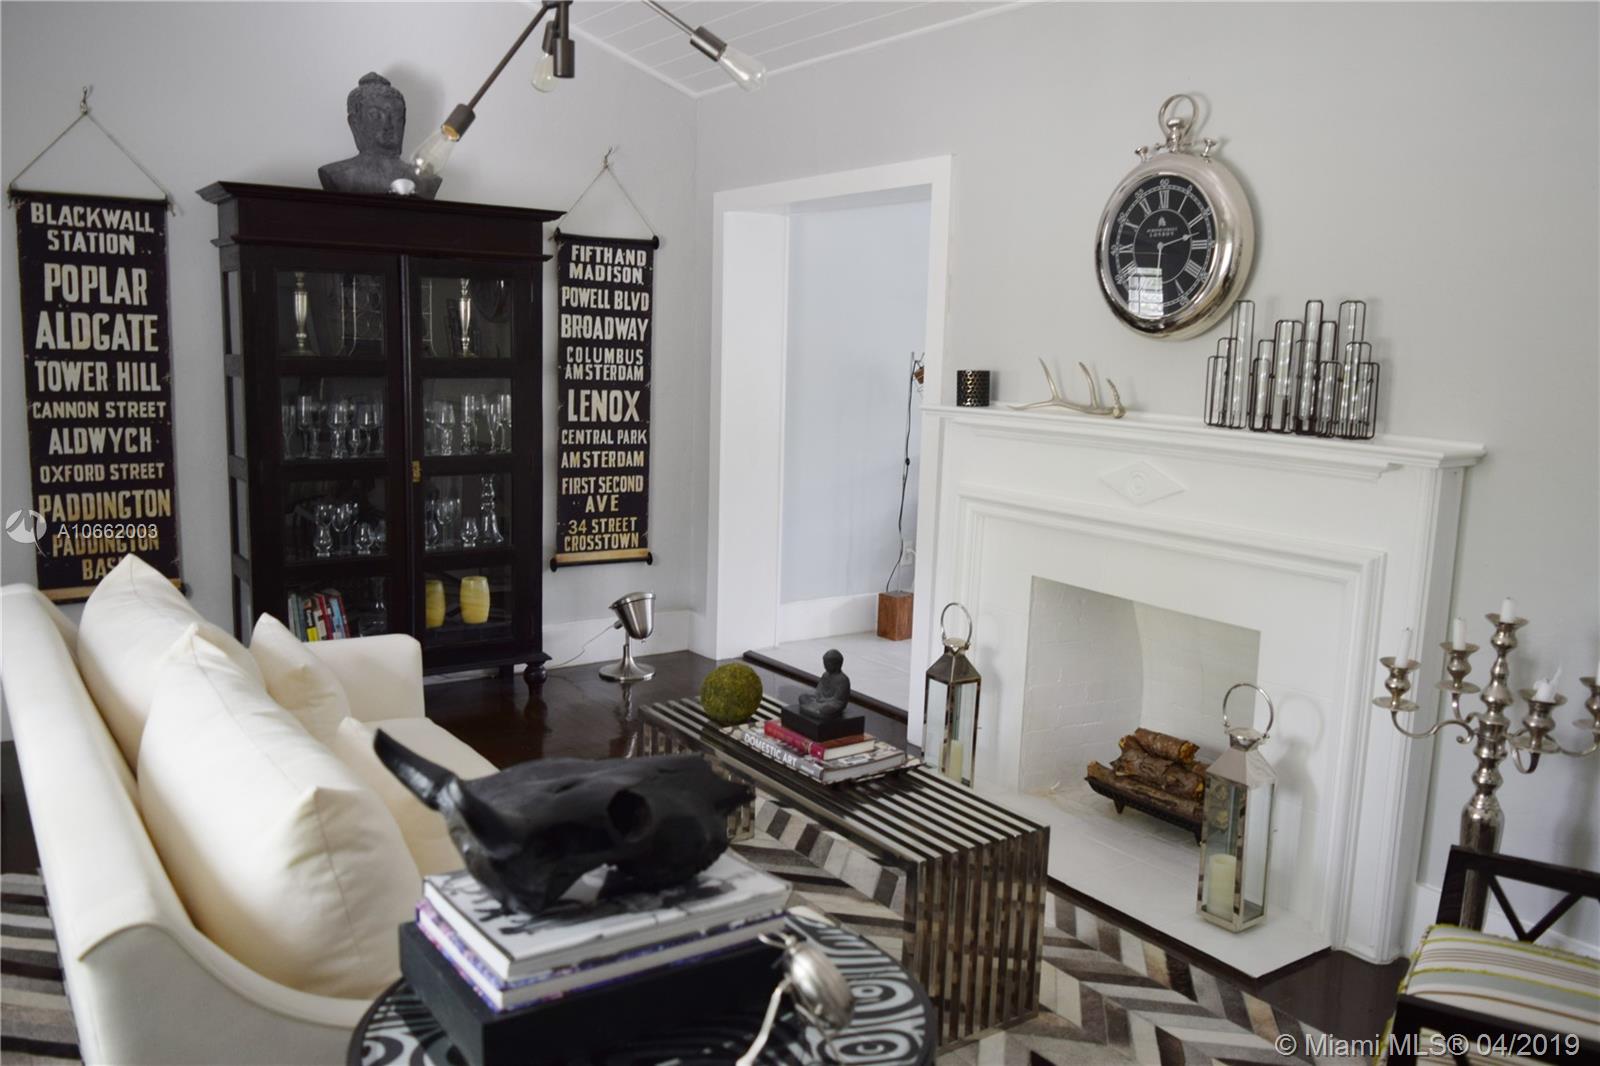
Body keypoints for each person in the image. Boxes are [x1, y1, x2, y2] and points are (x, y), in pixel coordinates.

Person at [317, 73, 441, 199]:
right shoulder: (336, 174)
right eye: (376, 116)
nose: (388, 125)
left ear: (403, 121)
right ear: (355, 122)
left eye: (395, 115)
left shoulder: (425, 181)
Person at [794, 650, 851, 722]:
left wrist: (822, 701)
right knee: (803, 697)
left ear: (837, 664)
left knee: (827, 708)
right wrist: (818, 697)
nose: (825, 666)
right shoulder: (825, 675)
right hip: (819, 700)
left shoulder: (843, 679)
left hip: (831, 703)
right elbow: (819, 690)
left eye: (828, 664)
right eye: (824, 663)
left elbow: (838, 699)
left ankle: (816, 710)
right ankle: (816, 710)